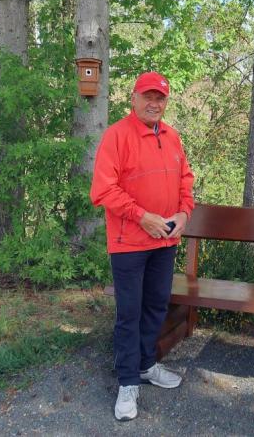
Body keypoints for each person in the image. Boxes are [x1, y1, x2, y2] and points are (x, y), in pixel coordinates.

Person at [89, 71, 195, 421]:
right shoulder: (117, 136)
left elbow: (185, 181)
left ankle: (147, 365)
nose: (154, 103)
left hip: (165, 239)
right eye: (147, 96)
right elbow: (103, 190)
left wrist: (183, 213)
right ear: (133, 99)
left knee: (155, 306)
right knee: (129, 313)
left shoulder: (173, 137)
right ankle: (127, 382)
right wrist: (141, 216)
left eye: (160, 98)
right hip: (129, 242)